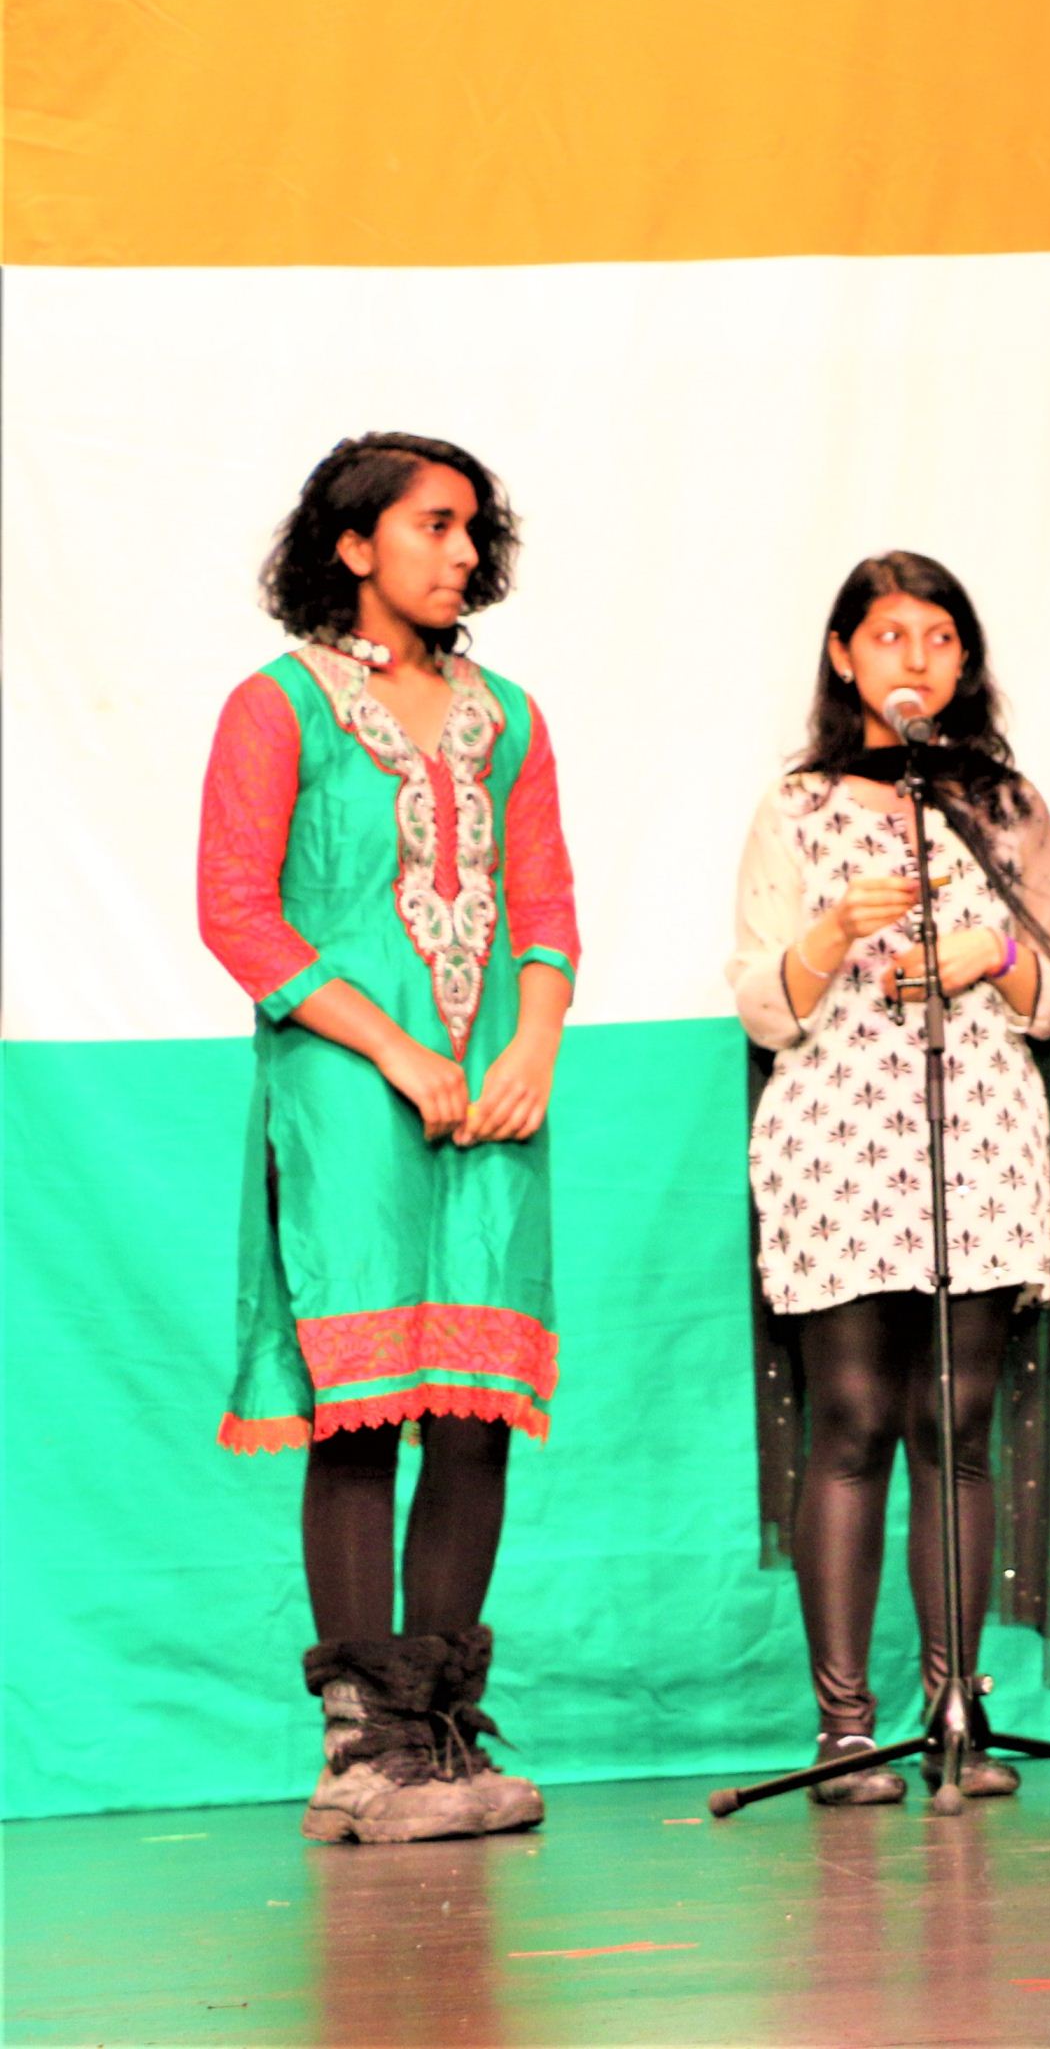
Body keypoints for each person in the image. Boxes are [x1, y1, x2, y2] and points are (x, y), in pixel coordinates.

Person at [196, 432, 577, 1844]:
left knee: (474, 1408)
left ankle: (439, 1732)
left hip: (494, 1095)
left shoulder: (507, 716)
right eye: (433, 524)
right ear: (354, 544)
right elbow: (237, 913)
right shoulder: (278, 705)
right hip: (350, 1089)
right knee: (363, 1409)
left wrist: (531, 1046)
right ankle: (363, 1752)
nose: (463, 551)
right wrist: (398, 1049)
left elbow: (545, 901)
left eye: (474, 527)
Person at [728, 553, 1050, 1806]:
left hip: (982, 1133)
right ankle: (846, 1730)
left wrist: (990, 950)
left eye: (940, 635)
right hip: (838, 1138)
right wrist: (835, 929)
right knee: (851, 1418)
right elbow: (762, 1005)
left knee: (958, 1423)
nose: (916, 656)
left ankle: (957, 1713)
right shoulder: (796, 807)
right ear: (843, 653)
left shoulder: (1004, 805)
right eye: (890, 634)